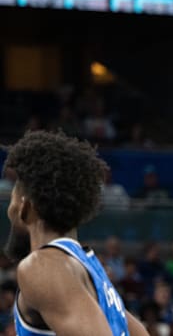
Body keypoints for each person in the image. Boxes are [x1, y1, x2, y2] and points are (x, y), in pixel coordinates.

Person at [1, 130, 148, 335]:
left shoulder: (41, 267)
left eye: (12, 200)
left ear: (26, 207)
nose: (10, 211)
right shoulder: (95, 275)